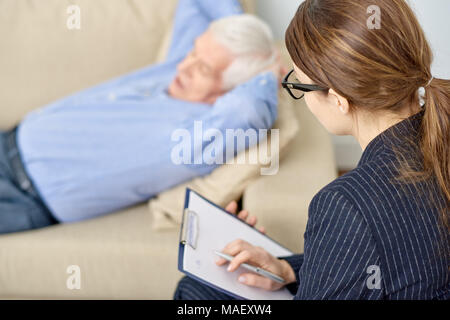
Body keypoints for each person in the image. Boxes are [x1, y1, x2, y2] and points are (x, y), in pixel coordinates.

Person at [174, 0, 450, 300]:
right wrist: (288, 269)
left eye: (300, 86)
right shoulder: (440, 139)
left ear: (339, 100)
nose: (301, 96)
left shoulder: (346, 205)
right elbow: (392, 264)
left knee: (193, 293)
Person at [0, 0, 284, 234]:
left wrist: (266, 71)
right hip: (8, 140)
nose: (185, 66)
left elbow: (248, 109)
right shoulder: (179, 68)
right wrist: (238, 32)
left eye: (204, 69)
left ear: (234, 86)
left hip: (18, 194)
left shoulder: (198, 136)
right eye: (194, 52)